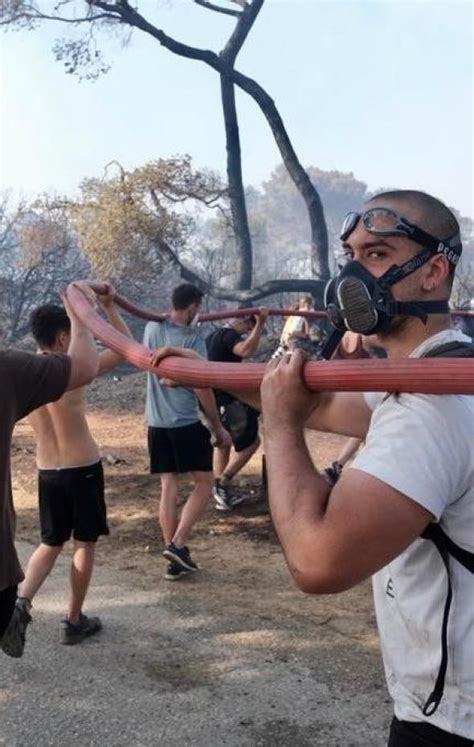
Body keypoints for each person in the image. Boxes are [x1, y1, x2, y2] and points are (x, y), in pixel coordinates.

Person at [259, 191, 473, 746]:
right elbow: (328, 404)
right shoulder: (441, 369)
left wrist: (279, 430)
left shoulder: (427, 409)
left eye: (376, 255)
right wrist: (198, 373)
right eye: (350, 256)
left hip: (450, 720)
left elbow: (316, 562)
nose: (354, 272)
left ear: (433, 272)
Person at [2, 287, 132, 657]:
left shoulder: (25, 373)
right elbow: (124, 347)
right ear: (63, 337)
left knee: (50, 542)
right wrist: (105, 308)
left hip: (48, 471)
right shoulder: (71, 372)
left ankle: (21, 605)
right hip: (82, 469)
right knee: (84, 544)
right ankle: (74, 619)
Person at [144, 283, 231, 581]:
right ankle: (179, 544)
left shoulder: (152, 328)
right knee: (205, 483)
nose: (200, 313)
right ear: (193, 305)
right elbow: (203, 383)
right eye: (199, 307)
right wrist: (217, 427)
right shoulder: (194, 339)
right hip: (183, 422)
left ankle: (173, 557)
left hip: (155, 422)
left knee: (169, 486)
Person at [205, 310, 268, 510]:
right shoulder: (228, 335)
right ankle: (223, 481)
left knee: (223, 443)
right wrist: (261, 324)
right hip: (229, 400)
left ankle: (219, 491)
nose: (248, 331)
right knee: (251, 443)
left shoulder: (211, 336)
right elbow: (245, 351)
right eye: (248, 326)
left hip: (214, 398)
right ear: (242, 319)